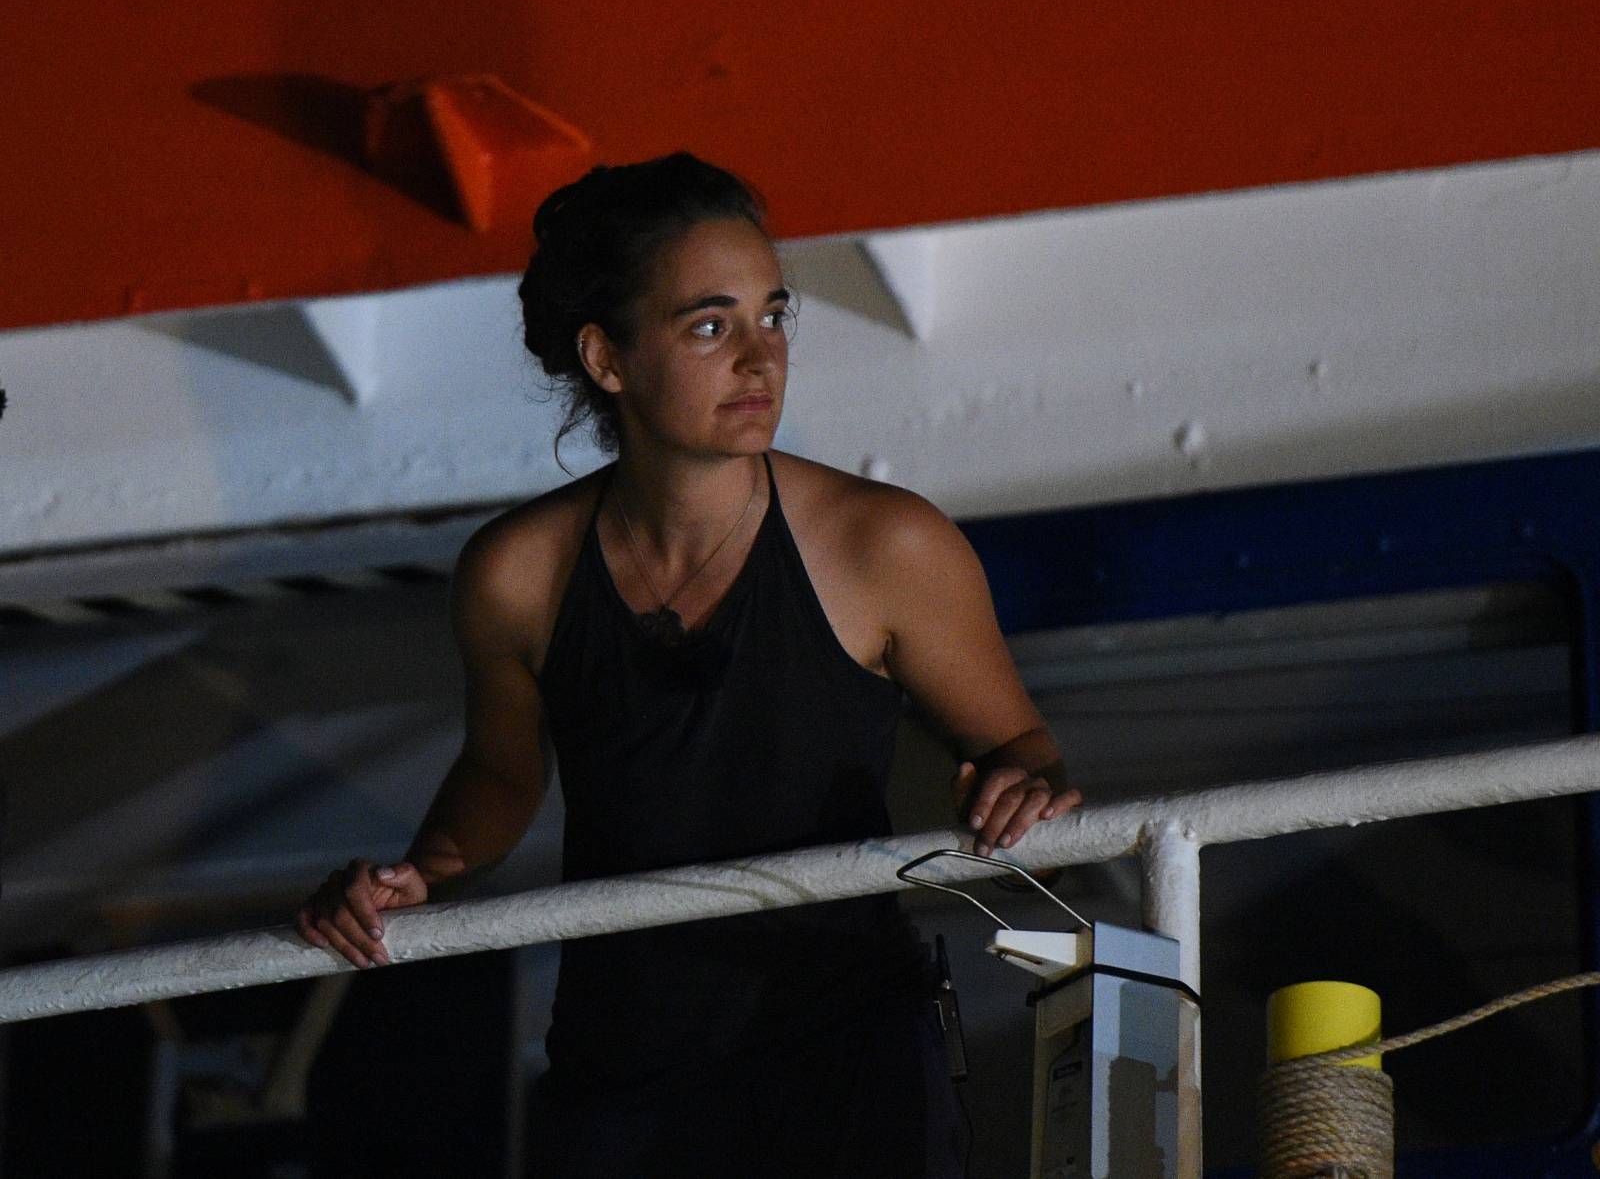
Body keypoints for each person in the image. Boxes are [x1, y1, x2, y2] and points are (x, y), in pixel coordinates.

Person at [297, 152, 1080, 1177]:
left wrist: (1028, 802)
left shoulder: (883, 545)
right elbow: (500, 777)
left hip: (851, 1054)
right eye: (711, 325)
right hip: (624, 1073)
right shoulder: (515, 573)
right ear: (606, 358)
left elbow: (1029, 759)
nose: (761, 360)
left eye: (773, 315)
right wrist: (410, 879)